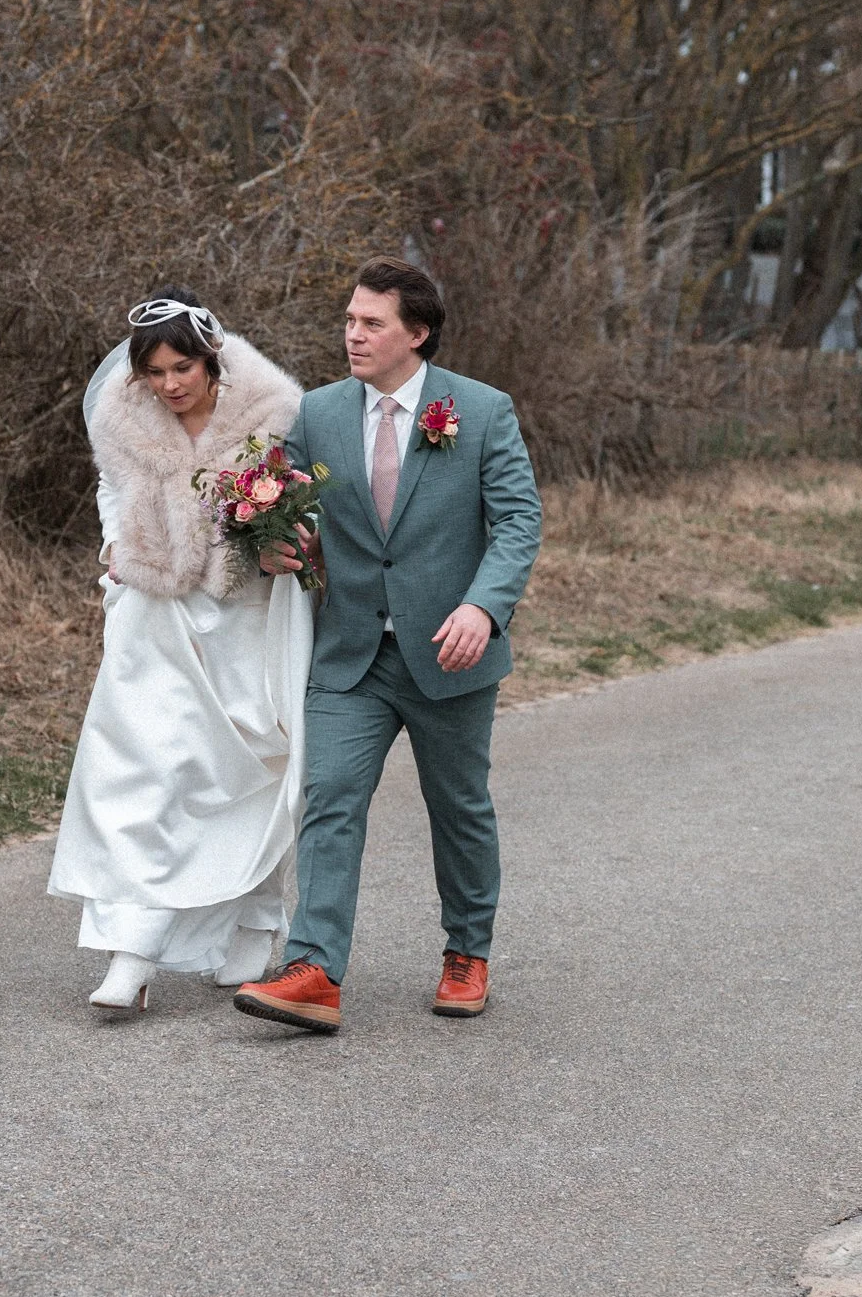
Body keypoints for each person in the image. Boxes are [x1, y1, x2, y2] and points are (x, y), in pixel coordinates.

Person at [234, 258, 541, 1033]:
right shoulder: (320, 412)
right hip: (349, 654)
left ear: (417, 332)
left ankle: (466, 952)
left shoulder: (480, 409)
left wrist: (483, 607)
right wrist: (277, 545)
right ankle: (313, 971)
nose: (353, 334)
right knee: (330, 800)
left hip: (450, 654)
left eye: (371, 322)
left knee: (458, 807)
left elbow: (516, 523)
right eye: (348, 320)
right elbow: (293, 514)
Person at [47, 292, 311, 1019]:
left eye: (183, 367)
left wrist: (279, 536)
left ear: (210, 358)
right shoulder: (124, 417)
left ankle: (256, 923)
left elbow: (299, 502)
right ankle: (132, 952)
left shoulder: (270, 415)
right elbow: (110, 485)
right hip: (153, 615)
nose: (170, 384)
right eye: (156, 372)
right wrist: (112, 544)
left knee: (248, 774)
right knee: (145, 776)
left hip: (243, 618)